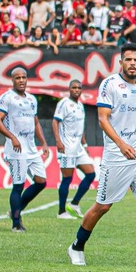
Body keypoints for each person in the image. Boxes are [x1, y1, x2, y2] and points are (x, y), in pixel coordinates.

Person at [66, 44, 136, 269]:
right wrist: (121, 144)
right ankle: (76, 246)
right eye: (128, 60)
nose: (132, 64)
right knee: (103, 206)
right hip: (116, 156)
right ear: (121, 62)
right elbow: (102, 119)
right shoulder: (110, 85)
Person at [0, 67, 48, 232]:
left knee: (41, 182)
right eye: (18, 78)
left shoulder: (31, 99)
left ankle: (15, 211)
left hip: (31, 148)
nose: (21, 80)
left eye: (24, 77)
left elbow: (36, 122)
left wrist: (43, 143)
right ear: (12, 80)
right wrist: (12, 137)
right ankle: (16, 223)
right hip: (16, 149)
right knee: (18, 185)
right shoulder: (6, 98)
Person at [52, 80, 96, 221]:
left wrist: (85, 145)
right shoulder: (64, 103)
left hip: (78, 148)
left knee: (91, 174)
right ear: (69, 89)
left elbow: (80, 128)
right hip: (67, 147)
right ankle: (61, 211)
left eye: (79, 88)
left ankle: (75, 204)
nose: (76, 90)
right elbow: (55, 121)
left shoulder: (80, 105)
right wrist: (58, 141)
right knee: (67, 178)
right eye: (74, 87)